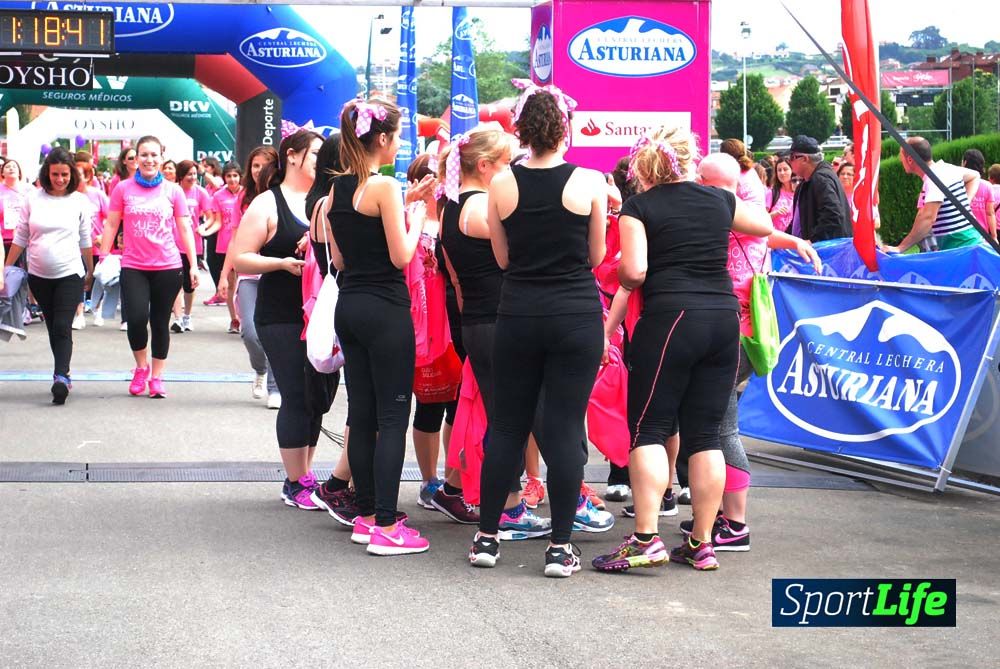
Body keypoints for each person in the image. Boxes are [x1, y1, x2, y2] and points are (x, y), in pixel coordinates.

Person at [590, 129, 772, 574]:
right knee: (706, 435)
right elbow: (765, 225)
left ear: (645, 168)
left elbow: (634, 272)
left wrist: (627, 273)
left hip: (671, 318)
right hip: (723, 320)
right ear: (689, 161)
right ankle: (701, 542)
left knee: (649, 429)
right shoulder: (719, 199)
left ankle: (645, 538)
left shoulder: (639, 207)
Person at [470, 84, 611, 578]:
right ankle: (559, 547)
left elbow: (502, 258)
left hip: (518, 313)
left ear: (522, 130)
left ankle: (487, 538)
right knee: (566, 428)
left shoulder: (502, 183)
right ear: (564, 129)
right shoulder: (590, 181)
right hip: (575, 314)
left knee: (507, 426)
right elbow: (596, 255)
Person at [321, 99, 434, 555]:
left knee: (363, 414)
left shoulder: (336, 191)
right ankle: (387, 524)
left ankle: (367, 515)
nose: (400, 143)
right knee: (392, 418)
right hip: (385, 309)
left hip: (350, 306)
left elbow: (341, 258)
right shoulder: (383, 186)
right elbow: (401, 255)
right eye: (398, 135)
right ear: (382, 138)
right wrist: (418, 217)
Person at [233, 129, 325, 510]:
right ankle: (295, 481)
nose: (320, 160)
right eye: (315, 153)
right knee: (296, 394)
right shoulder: (268, 203)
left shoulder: (325, 198)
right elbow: (240, 257)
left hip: (321, 315)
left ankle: (306, 473)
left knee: (318, 398)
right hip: (280, 314)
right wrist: (281, 263)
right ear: (292, 155)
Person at [101, 135, 199, 398]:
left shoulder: (173, 190)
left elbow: (185, 228)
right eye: (143, 154)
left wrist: (193, 264)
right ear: (136, 158)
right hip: (134, 265)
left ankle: (156, 377)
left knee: (159, 322)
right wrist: (103, 255)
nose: (149, 160)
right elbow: (112, 223)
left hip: (167, 266)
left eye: (154, 155)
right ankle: (141, 367)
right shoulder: (123, 189)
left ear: (162, 157)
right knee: (135, 320)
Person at [4, 148, 94, 404]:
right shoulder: (32, 198)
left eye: (65, 174)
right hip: (39, 275)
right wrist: (6, 269)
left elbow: (85, 239)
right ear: (47, 173)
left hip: (70, 273)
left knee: (62, 325)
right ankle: (63, 372)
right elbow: (21, 236)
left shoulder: (79, 201)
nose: (60, 179)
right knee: (54, 326)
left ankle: (61, 377)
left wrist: (90, 271)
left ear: (72, 174)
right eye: (55, 174)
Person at [218, 146, 281, 406]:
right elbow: (234, 240)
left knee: (276, 332)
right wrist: (224, 275)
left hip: (277, 271)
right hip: (249, 275)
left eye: (265, 165)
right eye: (255, 165)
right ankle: (260, 369)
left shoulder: (283, 194)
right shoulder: (243, 199)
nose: (259, 170)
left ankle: (275, 388)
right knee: (250, 332)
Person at [886, 137, 983, 253]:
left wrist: (900, 248)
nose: (900, 160)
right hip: (969, 244)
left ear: (910, 160)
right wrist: (964, 203)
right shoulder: (945, 169)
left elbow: (928, 219)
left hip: (963, 248)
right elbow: (975, 175)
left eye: (901, 157)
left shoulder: (933, 180)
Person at [171, 160, 217, 333]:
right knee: (175, 282)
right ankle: (177, 318)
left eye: (194, 174)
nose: (192, 177)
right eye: (188, 174)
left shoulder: (200, 192)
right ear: (180, 175)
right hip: (172, 243)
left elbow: (211, 216)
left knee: (189, 284)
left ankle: (187, 316)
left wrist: (204, 227)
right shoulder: (173, 191)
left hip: (193, 244)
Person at [788, 135, 853, 242]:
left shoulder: (821, 179)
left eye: (792, 157)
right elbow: (798, 221)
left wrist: (812, 240)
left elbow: (833, 215)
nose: (789, 161)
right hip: (815, 247)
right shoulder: (808, 181)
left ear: (805, 159)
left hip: (827, 249)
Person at [72, 151, 110, 329]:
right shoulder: (69, 196)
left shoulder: (98, 195)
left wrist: (103, 236)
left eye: (80, 175)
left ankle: (98, 309)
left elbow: (111, 218)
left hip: (97, 246)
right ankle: (79, 314)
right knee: (77, 279)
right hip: (75, 246)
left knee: (97, 279)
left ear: (87, 176)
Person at [210, 162, 245, 334]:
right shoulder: (218, 196)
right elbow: (216, 221)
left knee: (244, 283)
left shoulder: (248, 194)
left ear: (240, 177)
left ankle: (246, 318)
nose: (232, 179)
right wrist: (205, 230)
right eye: (229, 176)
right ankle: (234, 319)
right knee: (231, 284)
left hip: (246, 244)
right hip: (225, 245)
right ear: (224, 177)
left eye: (235, 176)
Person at [962, 149, 997, 243]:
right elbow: (990, 213)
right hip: (982, 237)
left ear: (965, 163)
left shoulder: (958, 185)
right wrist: (994, 236)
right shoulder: (987, 186)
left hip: (962, 235)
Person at [766, 155, 796, 232]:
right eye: (779, 170)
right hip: (776, 237)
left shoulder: (799, 192)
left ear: (792, 170)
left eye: (785, 169)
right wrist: (775, 213)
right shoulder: (771, 193)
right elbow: (762, 218)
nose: (782, 173)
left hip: (796, 236)